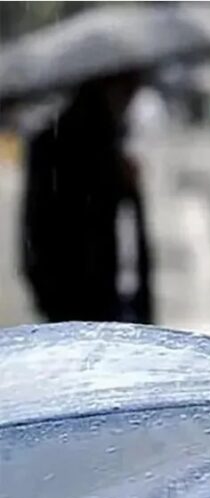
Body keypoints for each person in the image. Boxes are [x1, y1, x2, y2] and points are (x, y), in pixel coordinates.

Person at [20, 71, 154, 324]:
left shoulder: (111, 146)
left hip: (99, 297)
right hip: (82, 299)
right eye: (127, 91)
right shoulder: (62, 147)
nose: (130, 101)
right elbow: (37, 229)